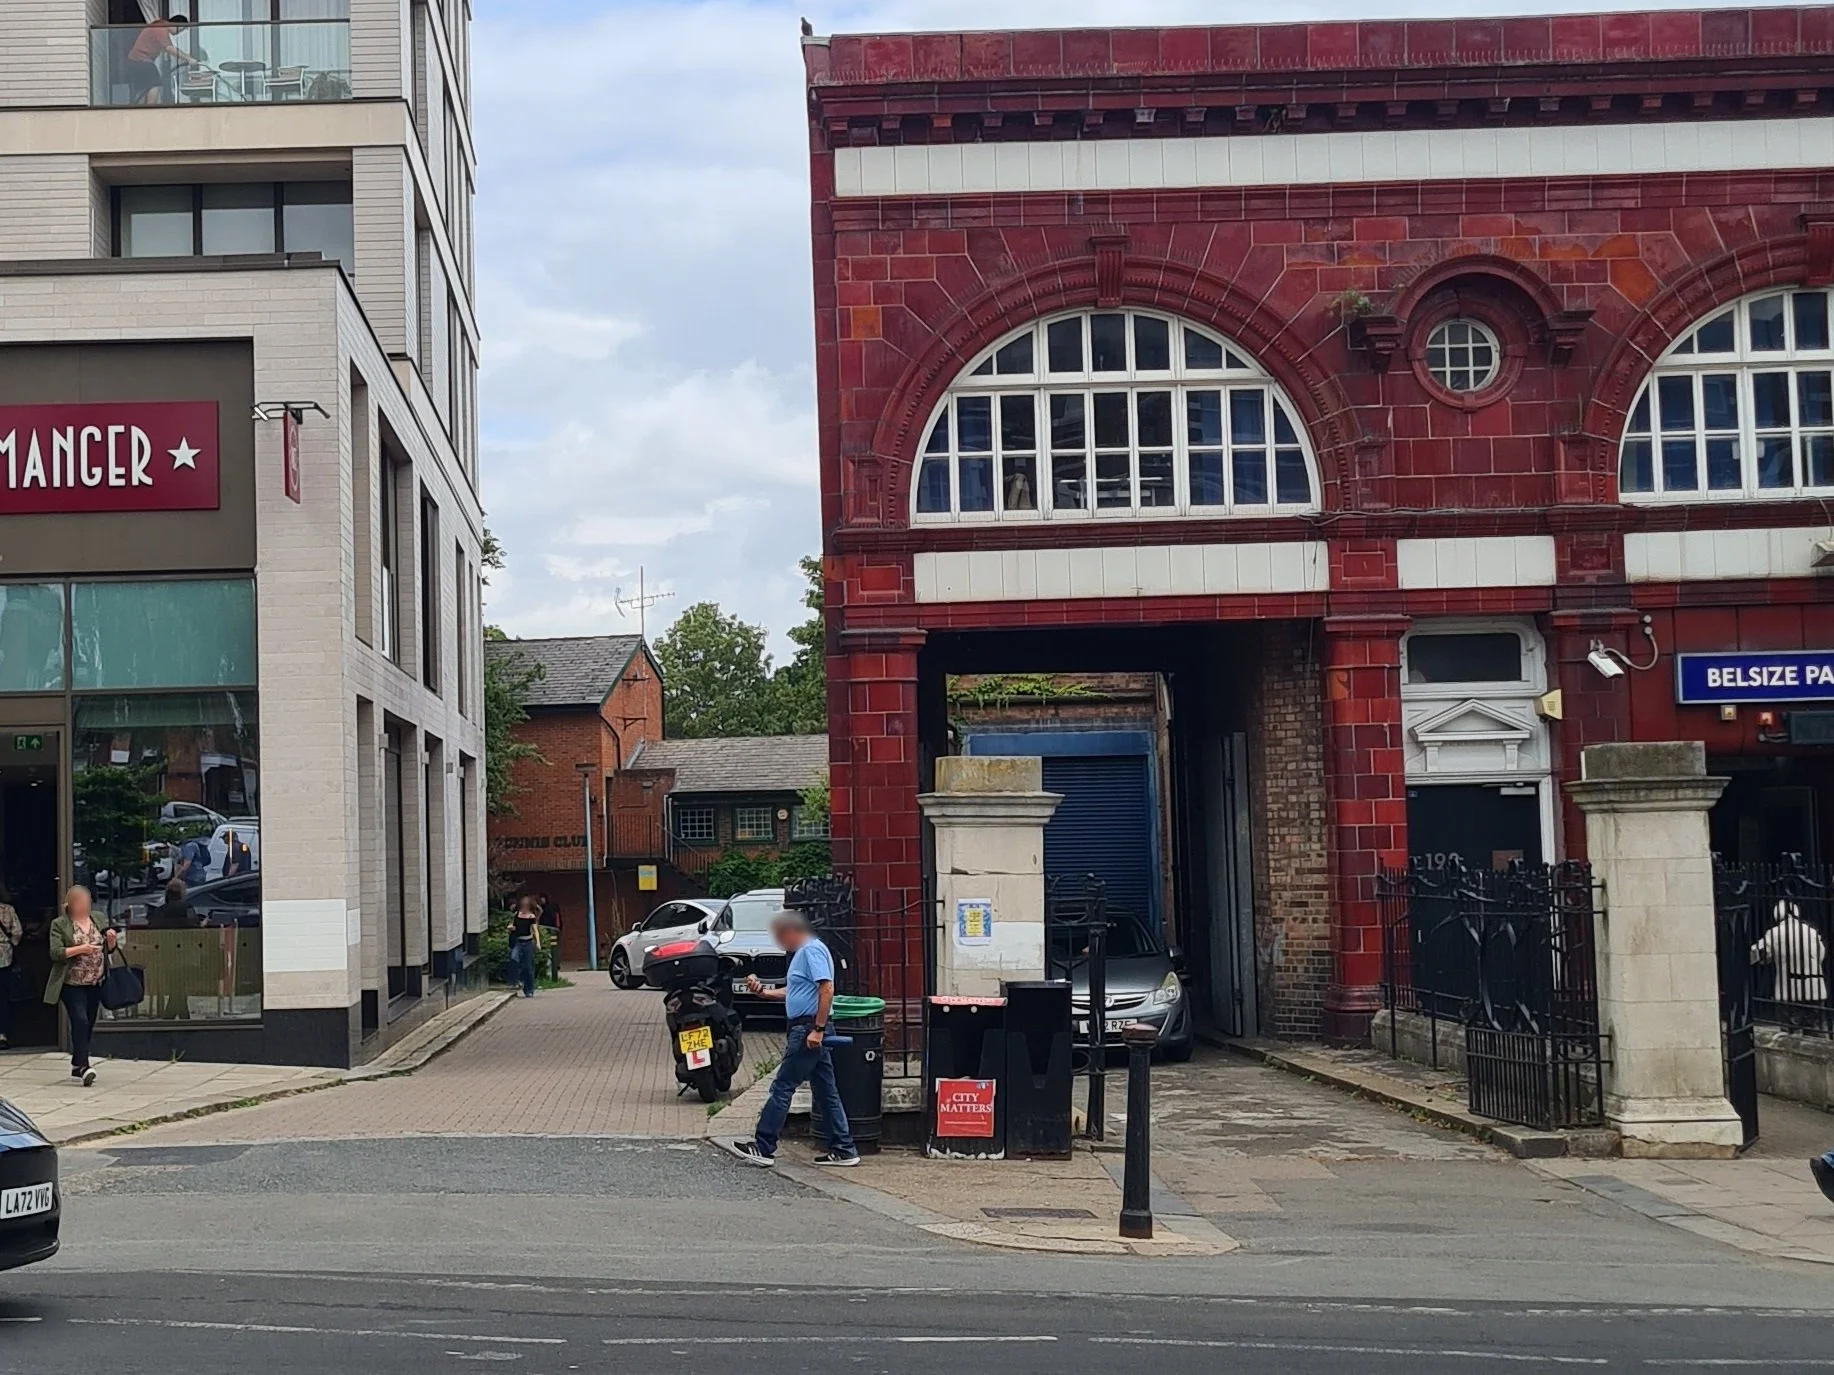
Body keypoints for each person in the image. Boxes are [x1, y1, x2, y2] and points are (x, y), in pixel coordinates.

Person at [724, 910, 859, 1168]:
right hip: (809, 1027)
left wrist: (818, 1029)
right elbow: (796, 990)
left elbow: (826, 988)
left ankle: (764, 1146)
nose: (778, 941)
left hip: (808, 1029)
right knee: (826, 1091)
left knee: (783, 1086)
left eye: (779, 935)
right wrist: (765, 993)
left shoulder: (811, 950)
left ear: (792, 930)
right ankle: (844, 1147)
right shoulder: (802, 954)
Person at [45, 885, 115, 1087]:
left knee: (89, 1023)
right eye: (82, 902)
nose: (86, 905)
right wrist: (79, 949)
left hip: (95, 981)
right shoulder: (60, 924)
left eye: (88, 901)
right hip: (71, 982)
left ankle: (77, 1062)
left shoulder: (98, 918)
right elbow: (56, 953)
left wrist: (110, 942)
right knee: (80, 1020)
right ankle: (84, 1066)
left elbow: (108, 950)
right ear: (72, 904)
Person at [1751, 899, 1829, 1015]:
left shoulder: (1774, 933)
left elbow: (1758, 953)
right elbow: (1820, 955)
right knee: (1816, 1029)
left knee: (1789, 1030)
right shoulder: (1811, 932)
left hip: (1788, 992)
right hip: (1815, 989)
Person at [125, 13, 205, 106]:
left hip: (134, 61)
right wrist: (189, 59)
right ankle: (150, 108)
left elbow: (169, 50)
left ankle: (140, 110)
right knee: (155, 84)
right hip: (142, 60)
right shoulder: (160, 29)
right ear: (177, 25)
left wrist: (186, 56)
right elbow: (170, 49)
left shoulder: (157, 27)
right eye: (181, 29)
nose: (179, 33)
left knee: (143, 88)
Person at [507, 896, 542, 998]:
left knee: (528, 967)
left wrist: (538, 943)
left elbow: (535, 930)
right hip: (518, 941)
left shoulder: (531, 917)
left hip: (528, 942)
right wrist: (510, 928)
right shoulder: (517, 915)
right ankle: (518, 979)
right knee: (514, 958)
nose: (524, 908)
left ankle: (529, 989)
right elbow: (513, 926)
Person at [0, 885, 22, 1050]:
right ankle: (2, 1034)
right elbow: (17, 932)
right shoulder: (7, 910)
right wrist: (10, 945)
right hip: (3, 958)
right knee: (3, 999)